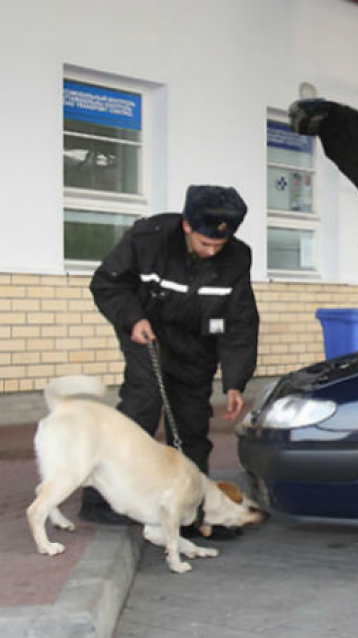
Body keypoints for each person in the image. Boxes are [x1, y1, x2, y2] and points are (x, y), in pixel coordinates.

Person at [81, 185, 260, 524]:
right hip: (148, 335)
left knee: (191, 424)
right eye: (205, 243)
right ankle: (103, 499)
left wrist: (235, 381)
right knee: (141, 408)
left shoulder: (237, 258)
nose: (211, 253)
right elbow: (107, 283)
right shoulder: (149, 239)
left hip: (197, 347)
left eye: (219, 245)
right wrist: (133, 319)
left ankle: (193, 507)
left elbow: (240, 322)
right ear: (187, 226)